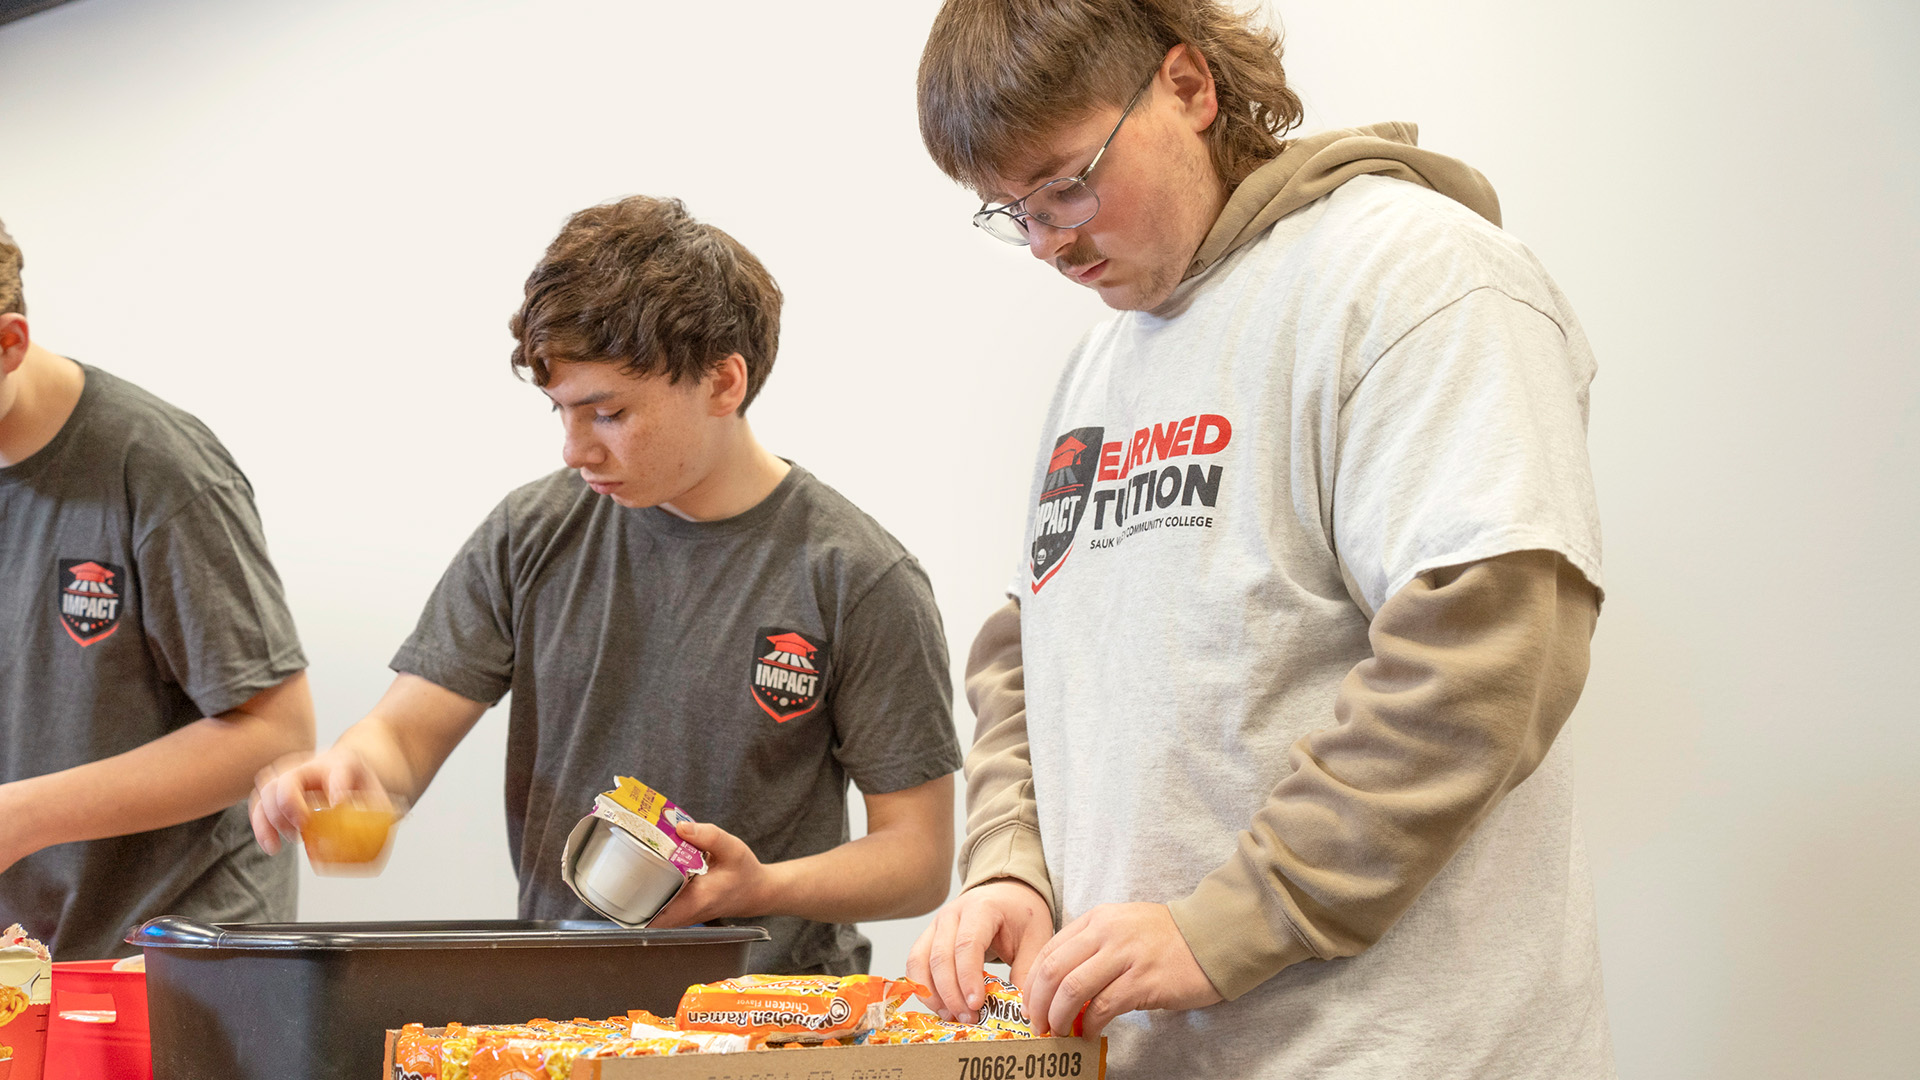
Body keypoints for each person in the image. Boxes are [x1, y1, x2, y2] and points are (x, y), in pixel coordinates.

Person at [906, 2, 1613, 1077]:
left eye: (1067, 183)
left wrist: (1234, 922)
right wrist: (1011, 867)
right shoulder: (1104, 366)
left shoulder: (1417, 277)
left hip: (1393, 1052)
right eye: (1013, 211)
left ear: (1188, 89)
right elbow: (1025, 656)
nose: (1051, 242)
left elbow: (1487, 654)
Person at [251, 196, 961, 976]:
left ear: (724, 383)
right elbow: (402, 739)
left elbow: (917, 856)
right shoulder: (531, 533)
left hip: (771, 1020)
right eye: (561, 411)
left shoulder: (856, 575)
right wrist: (351, 769)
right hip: (556, 1009)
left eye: (608, 412)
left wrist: (760, 885)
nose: (574, 449)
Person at [0, 216, 315, 960]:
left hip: (175, 954)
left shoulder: (160, 469)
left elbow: (275, 735)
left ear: (9, 343)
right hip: (32, 959)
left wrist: (20, 816)